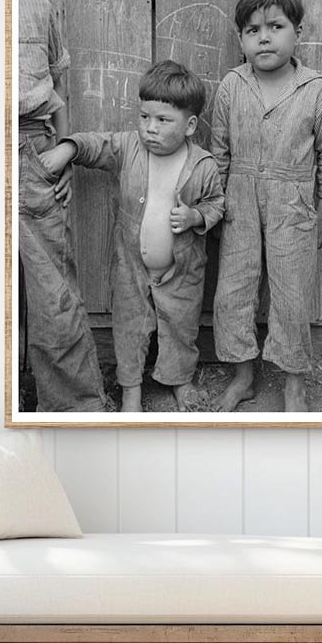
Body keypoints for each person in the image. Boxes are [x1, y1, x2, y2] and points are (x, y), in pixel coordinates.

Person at [39, 60, 225, 412]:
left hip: (182, 272)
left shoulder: (203, 166)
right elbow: (95, 145)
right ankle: (131, 392)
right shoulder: (129, 147)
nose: (150, 128)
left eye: (163, 120)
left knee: (181, 327)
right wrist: (68, 149)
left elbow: (217, 204)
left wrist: (195, 216)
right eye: (144, 117)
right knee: (129, 328)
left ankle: (179, 380)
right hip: (131, 267)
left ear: (190, 126)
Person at [210, 0, 322, 412]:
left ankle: (294, 385)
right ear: (241, 39)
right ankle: (243, 377)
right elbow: (219, 153)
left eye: (275, 26)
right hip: (239, 203)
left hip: (294, 206)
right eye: (253, 30)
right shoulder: (232, 85)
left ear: (297, 32)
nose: (264, 37)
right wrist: (217, 207)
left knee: (291, 297)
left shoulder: (315, 90)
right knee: (233, 293)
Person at [16, 0, 106, 411]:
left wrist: (64, 152)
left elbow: (58, 82)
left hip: (32, 149)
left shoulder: (35, 5)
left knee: (52, 291)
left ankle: (74, 410)